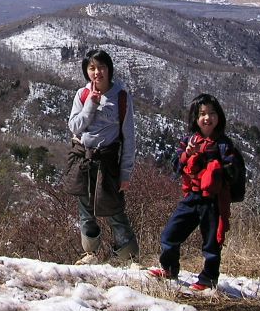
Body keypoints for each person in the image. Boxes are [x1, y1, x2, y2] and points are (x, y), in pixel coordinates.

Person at [148, 93, 240, 290]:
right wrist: (187, 154)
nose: (207, 118)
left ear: (219, 117)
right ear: (195, 119)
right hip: (192, 196)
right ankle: (169, 268)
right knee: (170, 233)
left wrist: (214, 170)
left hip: (213, 200)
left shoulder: (224, 144)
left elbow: (233, 170)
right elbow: (176, 166)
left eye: (212, 113)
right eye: (202, 114)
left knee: (211, 242)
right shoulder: (188, 141)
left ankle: (208, 279)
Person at [63, 48, 138, 265]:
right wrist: (90, 105)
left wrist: (126, 174)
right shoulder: (82, 95)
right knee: (85, 208)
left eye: (101, 67)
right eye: (92, 68)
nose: (97, 72)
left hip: (108, 160)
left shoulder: (121, 98)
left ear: (109, 69)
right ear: (86, 71)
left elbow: (129, 138)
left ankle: (128, 256)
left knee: (114, 208)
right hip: (83, 158)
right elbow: (74, 126)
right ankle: (91, 254)